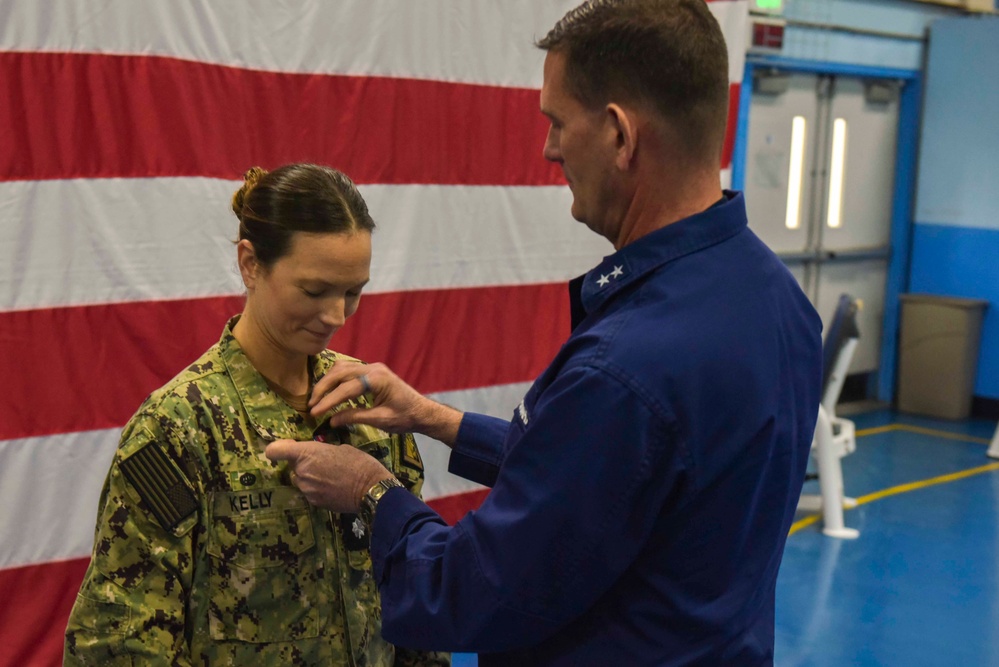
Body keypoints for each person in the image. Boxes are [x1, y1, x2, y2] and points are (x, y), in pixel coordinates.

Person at [266, 0, 823, 664]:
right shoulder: (777, 301)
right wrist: (436, 418)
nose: (548, 147)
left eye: (558, 122)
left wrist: (371, 491)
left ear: (619, 134)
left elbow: (470, 594)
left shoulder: (626, 369)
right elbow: (616, 477)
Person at [64, 164, 449, 666]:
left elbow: (412, 598)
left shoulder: (369, 407)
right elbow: (119, 644)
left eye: (352, 291)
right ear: (250, 264)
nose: (336, 315)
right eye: (314, 291)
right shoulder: (179, 427)